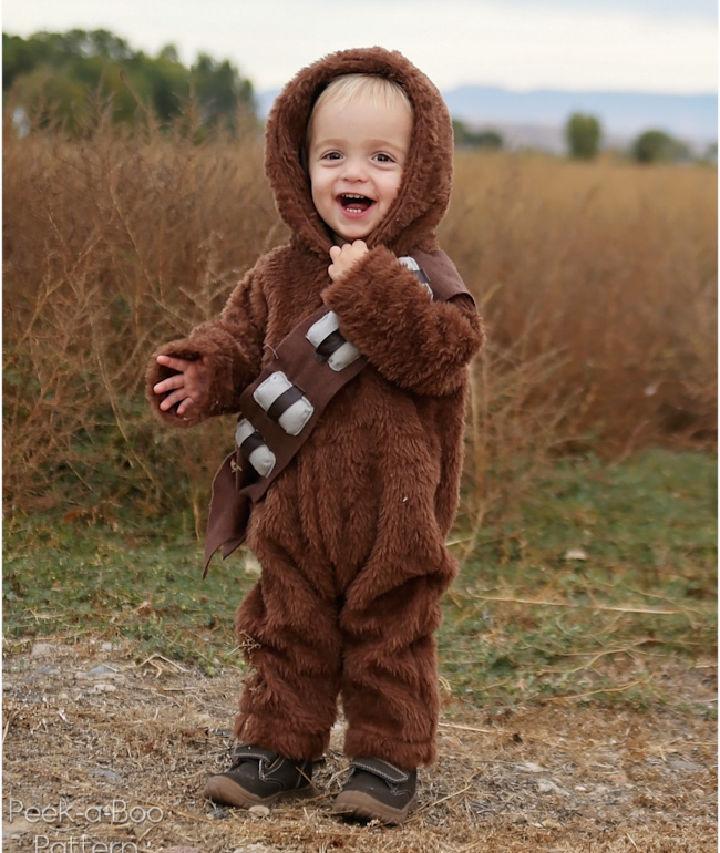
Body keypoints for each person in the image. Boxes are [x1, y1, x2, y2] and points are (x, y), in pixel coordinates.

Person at [146, 46, 485, 825]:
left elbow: (442, 354)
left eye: (381, 157)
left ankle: (386, 759)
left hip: (396, 509)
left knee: (390, 631)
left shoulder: (427, 274)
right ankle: (277, 747)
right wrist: (203, 371)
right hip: (293, 502)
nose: (352, 173)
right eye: (331, 154)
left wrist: (367, 286)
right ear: (297, 166)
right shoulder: (276, 275)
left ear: (422, 168)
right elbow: (238, 343)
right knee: (285, 623)